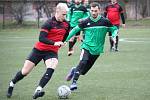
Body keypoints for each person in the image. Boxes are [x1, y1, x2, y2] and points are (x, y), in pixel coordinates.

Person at [6, 3, 69, 99]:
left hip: (52, 52)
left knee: (52, 67)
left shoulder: (66, 24)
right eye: (63, 14)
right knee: (25, 72)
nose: (65, 16)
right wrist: (54, 43)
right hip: (39, 50)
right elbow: (41, 38)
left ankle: (38, 90)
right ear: (57, 11)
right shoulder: (48, 23)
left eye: (66, 14)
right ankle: (12, 84)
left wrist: (63, 42)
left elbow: (65, 36)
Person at [64, 2, 118, 91]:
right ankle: (74, 83)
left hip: (97, 50)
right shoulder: (85, 21)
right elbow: (75, 30)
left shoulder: (105, 21)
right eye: (92, 11)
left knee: (83, 71)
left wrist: (113, 36)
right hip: (86, 46)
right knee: (83, 61)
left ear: (99, 11)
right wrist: (66, 40)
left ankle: (74, 70)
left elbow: (114, 29)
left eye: (95, 11)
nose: (93, 13)